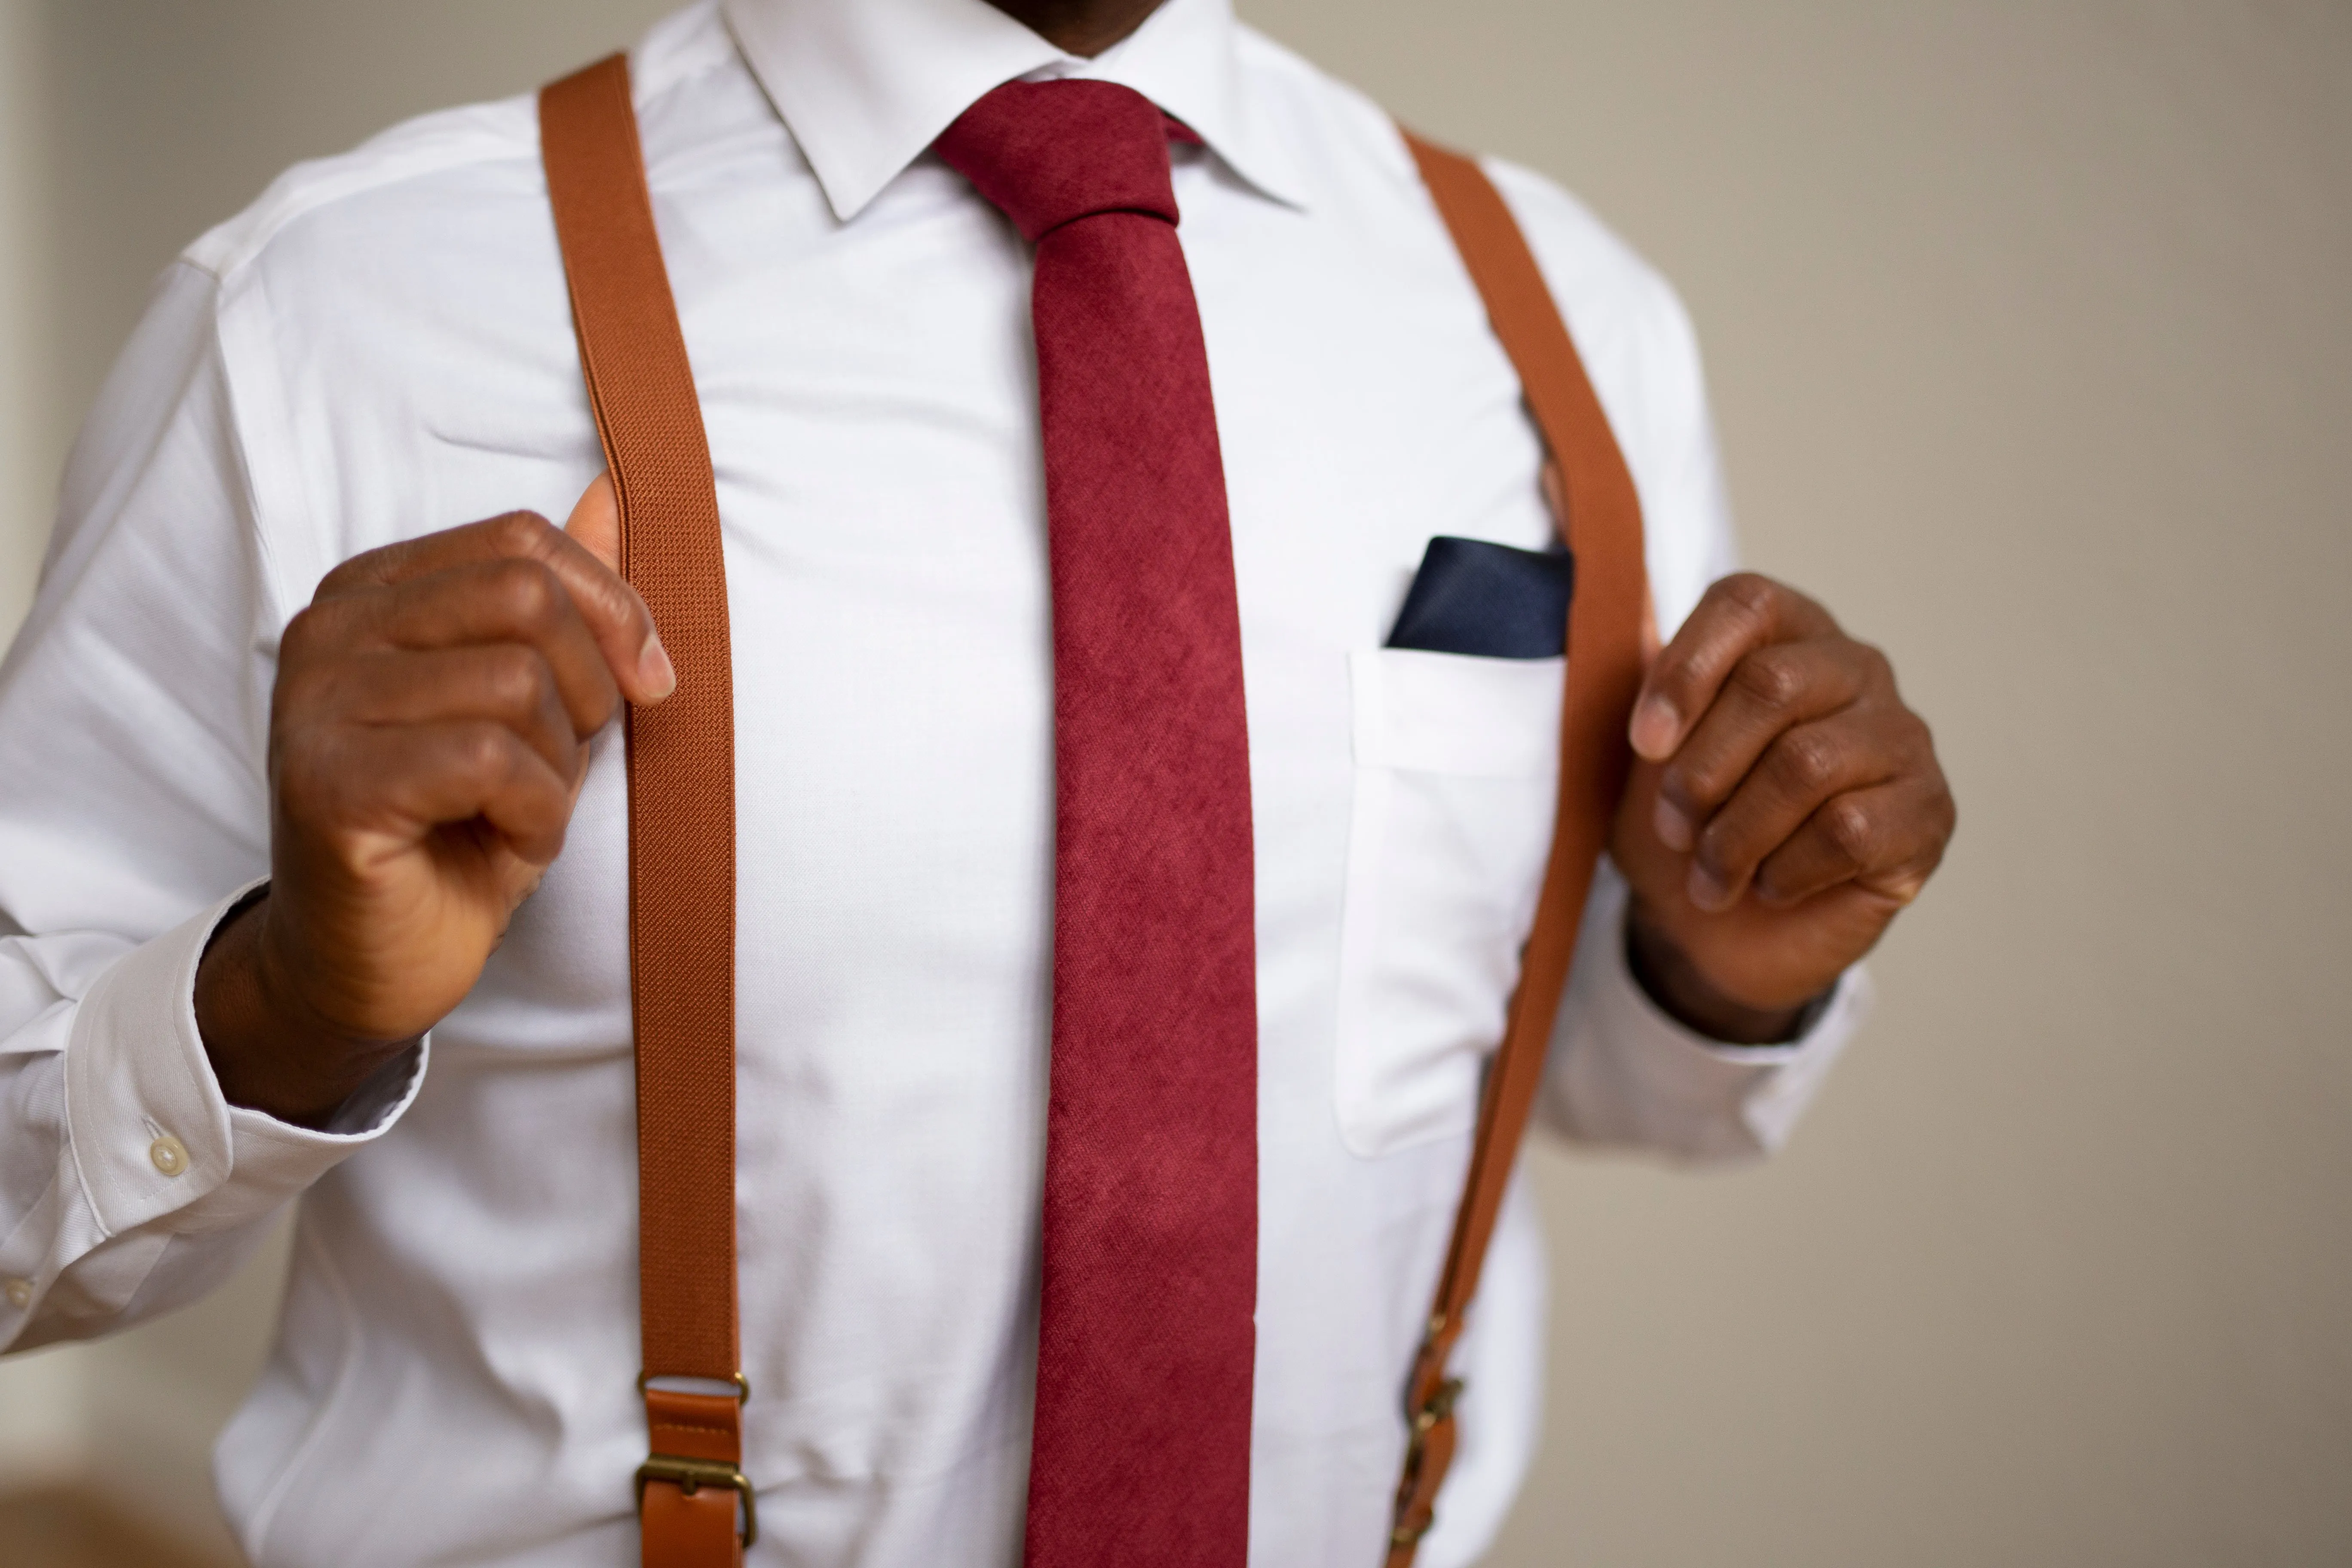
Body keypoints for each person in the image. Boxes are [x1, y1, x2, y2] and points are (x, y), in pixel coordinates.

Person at [0, 0, 1955, 1562]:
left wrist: (1720, 966)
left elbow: (1576, 1077)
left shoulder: (1563, 320)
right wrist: (288, 1003)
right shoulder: (341, 313)